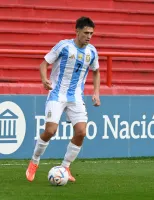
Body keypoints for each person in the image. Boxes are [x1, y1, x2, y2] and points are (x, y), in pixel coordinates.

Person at [26, 16, 101, 182]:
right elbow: (43, 64)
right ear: (77, 31)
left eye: (91, 33)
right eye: (86, 32)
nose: (89, 36)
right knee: (50, 131)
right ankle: (34, 161)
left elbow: (96, 71)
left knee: (81, 132)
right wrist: (45, 79)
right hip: (57, 94)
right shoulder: (64, 46)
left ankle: (66, 166)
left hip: (75, 97)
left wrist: (96, 92)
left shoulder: (92, 52)